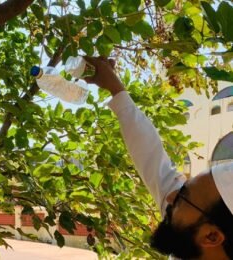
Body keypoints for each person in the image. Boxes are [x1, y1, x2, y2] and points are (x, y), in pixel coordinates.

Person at [83, 56, 233, 260]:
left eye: (183, 198)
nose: (170, 197)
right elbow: (151, 155)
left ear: (212, 236)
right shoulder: (189, 225)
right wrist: (115, 87)